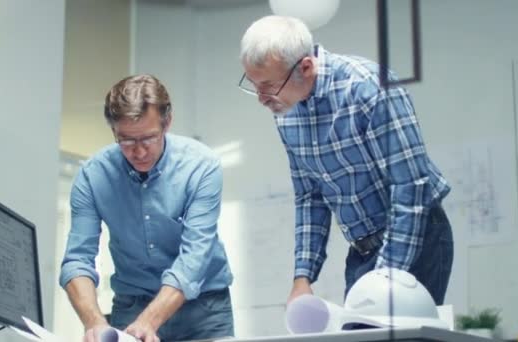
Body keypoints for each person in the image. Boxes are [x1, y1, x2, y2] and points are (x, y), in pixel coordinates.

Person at [238, 16, 453, 307]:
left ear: (306, 67)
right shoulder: (286, 112)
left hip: (418, 237)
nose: (261, 98)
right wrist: (303, 276)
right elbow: (310, 195)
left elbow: (410, 186)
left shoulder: (370, 89)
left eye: (269, 86)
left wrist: (385, 279)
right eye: (253, 85)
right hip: (362, 251)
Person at [59, 74, 234, 342]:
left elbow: (194, 259)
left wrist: (149, 321)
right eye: (127, 141)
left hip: (204, 309)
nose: (139, 152)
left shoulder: (201, 166)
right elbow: (77, 260)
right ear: (113, 131)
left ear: (167, 123)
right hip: (132, 305)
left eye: (149, 139)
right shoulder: (93, 176)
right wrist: (94, 322)